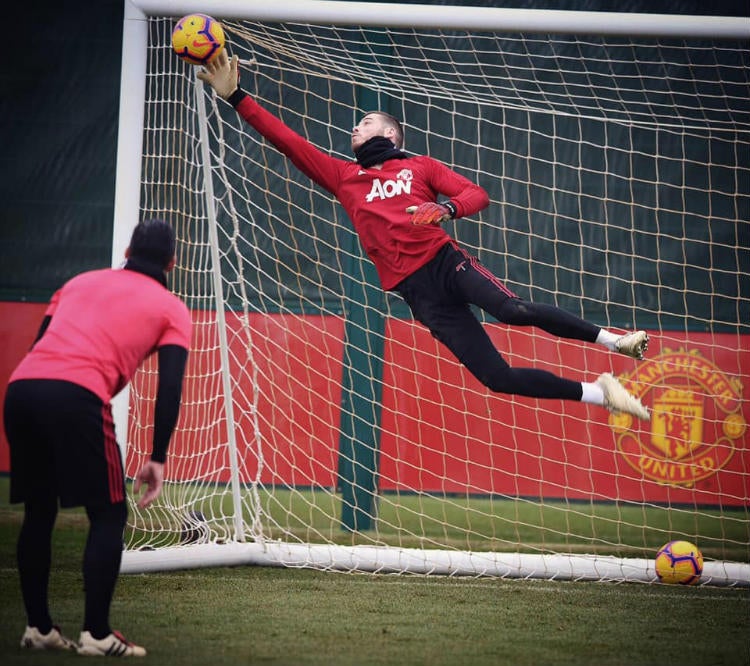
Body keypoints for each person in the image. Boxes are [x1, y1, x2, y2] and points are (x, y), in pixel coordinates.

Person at [197, 51, 649, 421]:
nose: (356, 128)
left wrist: (445, 208)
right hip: (418, 293)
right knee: (495, 377)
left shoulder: (420, 165)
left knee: (511, 310)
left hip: (445, 264)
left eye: (367, 122)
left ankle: (613, 341)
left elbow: (477, 194)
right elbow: (288, 141)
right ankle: (600, 392)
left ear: (391, 133)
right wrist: (236, 95)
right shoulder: (343, 176)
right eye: (356, 125)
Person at [4, 219, 192, 657]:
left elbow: (40, 345)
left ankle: (39, 628)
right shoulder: (171, 308)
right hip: (78, 395)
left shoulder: (78, 282)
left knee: (39, 510)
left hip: (23, 389)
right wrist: (158, 457)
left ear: (126, 250)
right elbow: (170, 388)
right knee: (108, 514)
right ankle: (97, 634)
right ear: (172, 263)